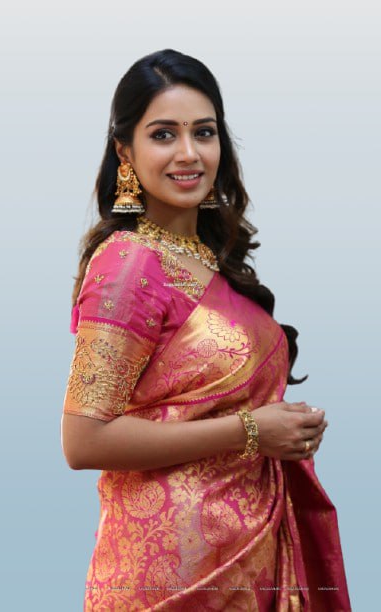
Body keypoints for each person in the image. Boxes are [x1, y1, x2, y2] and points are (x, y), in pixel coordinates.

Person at [61, 49, 351, 611]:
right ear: (125, 152)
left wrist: (284, 429)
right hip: (169, 581)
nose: (189, 153)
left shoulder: (207, 260)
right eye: (163, 135)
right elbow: (84, 440)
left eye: (204, 132)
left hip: (246, 558)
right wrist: (251, 430)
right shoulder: (128, 264)